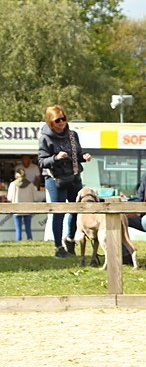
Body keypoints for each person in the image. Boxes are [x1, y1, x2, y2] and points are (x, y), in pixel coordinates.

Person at [37, 105, 92, 258]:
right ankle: (58, 247)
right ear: (50, 122)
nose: (62, 122)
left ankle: (70, 238)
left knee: (77, 209)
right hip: (55, 179)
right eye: (57, 120)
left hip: (74, 177)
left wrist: (84, 156)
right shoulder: (46, 138)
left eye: (64, 119)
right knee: (59, 212)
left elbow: (78, 154)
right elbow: (41, 161)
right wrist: (55, 158)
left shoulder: (73, 135)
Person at [7, 168, 36, 240]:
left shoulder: (13, 184)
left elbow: (9, 198)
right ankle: (30, 239)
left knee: (18, 228)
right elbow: (35, 197)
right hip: (28, 208)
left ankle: (18, 241)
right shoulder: (30, 184)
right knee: (28, 228)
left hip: (17, 208)